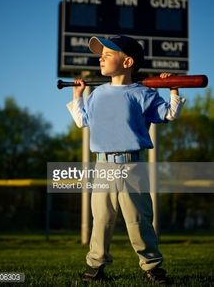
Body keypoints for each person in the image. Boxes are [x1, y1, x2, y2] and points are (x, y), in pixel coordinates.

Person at [66, 35, 186, 284]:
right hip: (103, 165)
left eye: (108, 54)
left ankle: (152, 267)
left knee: (138, 219)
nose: (101, 58)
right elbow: (82, 121)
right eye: (101, 54)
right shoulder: (97, 94)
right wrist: (78, 95)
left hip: (132, 165)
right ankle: (95, 266)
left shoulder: (144, 93)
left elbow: (170, 114)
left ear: (128, 61)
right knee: (101, 218)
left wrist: (173, 87)